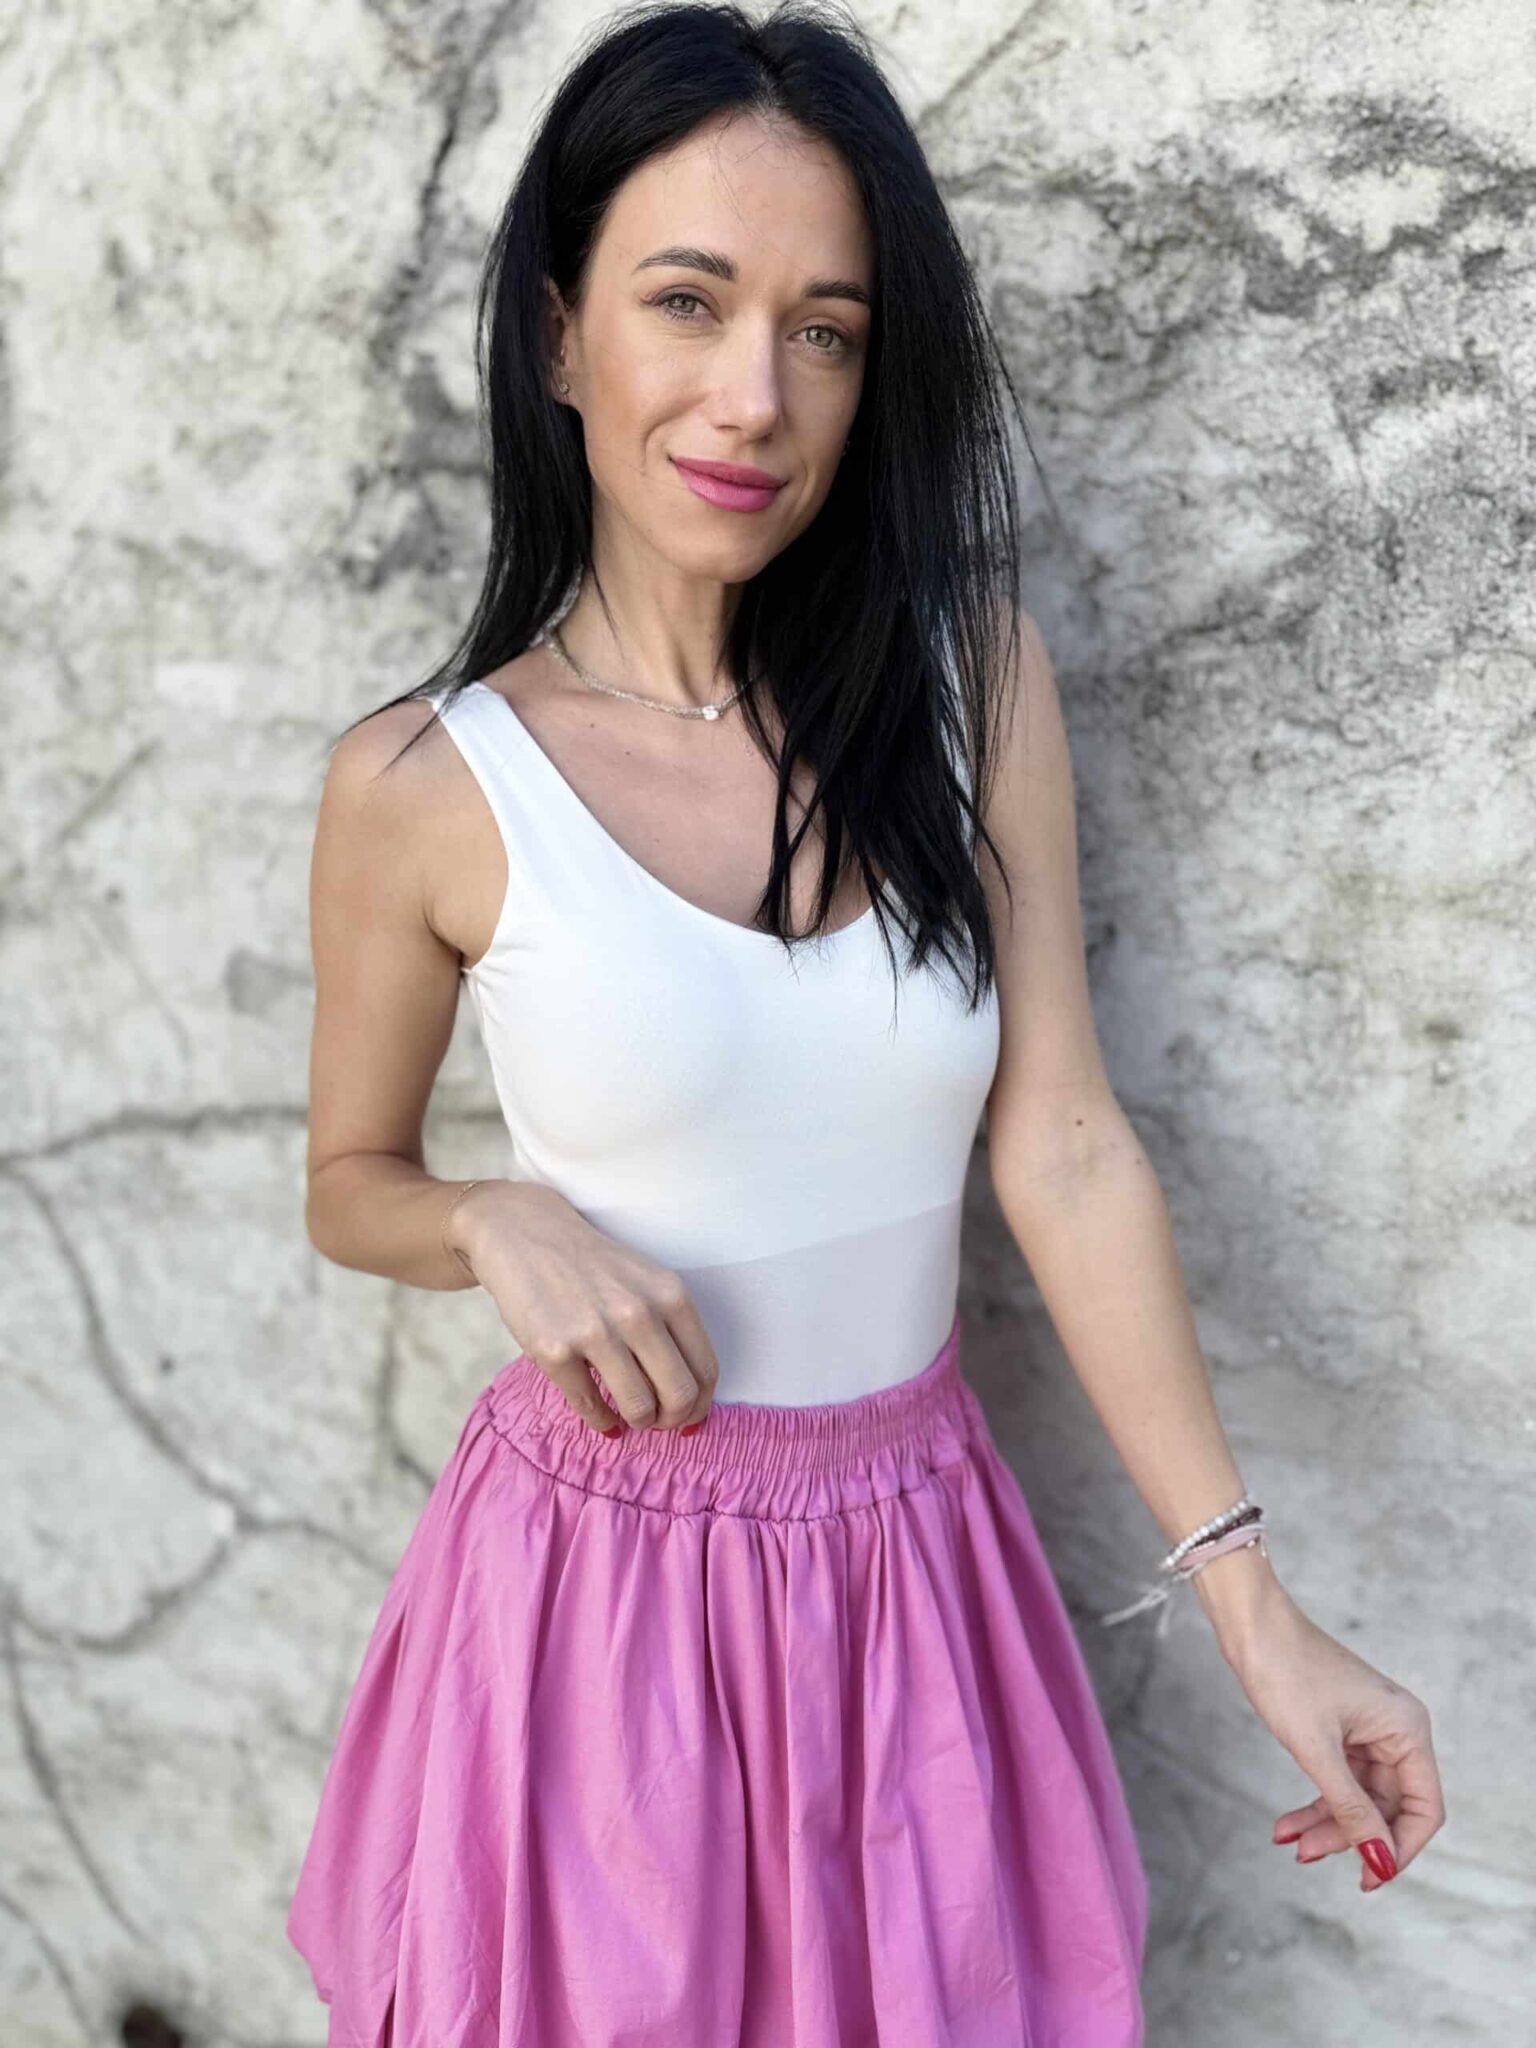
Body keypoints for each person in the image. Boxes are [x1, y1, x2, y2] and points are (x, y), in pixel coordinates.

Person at [285, 4, 1445, 2042]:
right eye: (687, 301)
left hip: (916, 1584)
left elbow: (1063, 1144)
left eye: (822, 329)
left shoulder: (968, 688)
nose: (755, 395)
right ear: (558, 335)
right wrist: (488, 1215)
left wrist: (1259, 1612)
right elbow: (346, 1179)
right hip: (597, 1618)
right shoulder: (427, 783)